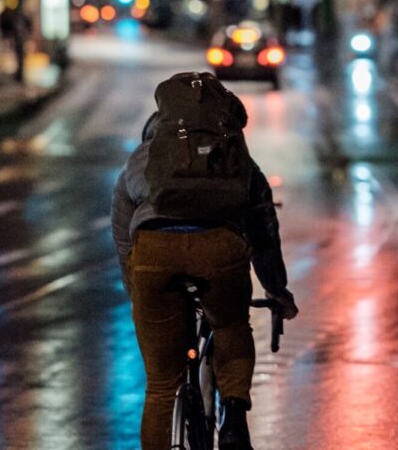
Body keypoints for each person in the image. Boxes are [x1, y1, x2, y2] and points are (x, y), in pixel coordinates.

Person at [111, 80, 299, 450]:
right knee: (231, 327)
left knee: (163, 385)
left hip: (153, 256)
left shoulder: (138, 161)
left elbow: (122, 237)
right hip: (220, 253)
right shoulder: (239, 161)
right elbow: (264, 235)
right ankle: (232, 416)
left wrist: (139, 293)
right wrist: (277, 290)